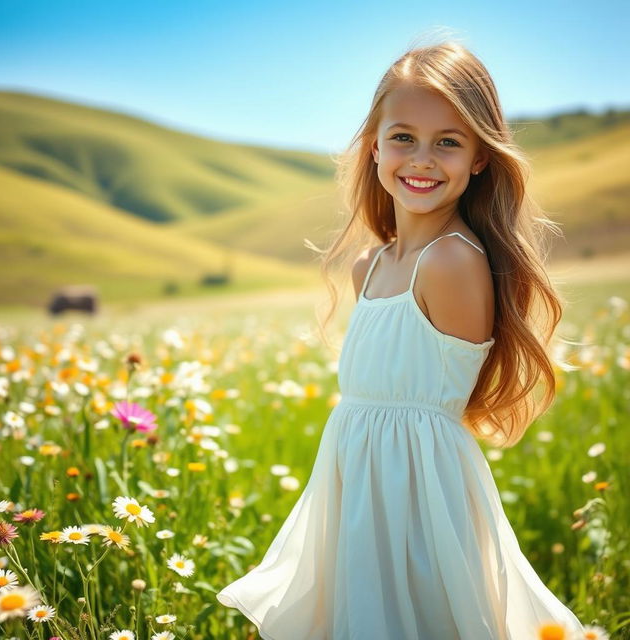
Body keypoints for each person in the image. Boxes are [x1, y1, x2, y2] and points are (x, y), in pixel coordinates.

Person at [216, 39, 587, 639]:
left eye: (448, 141)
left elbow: (435, 408)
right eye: (403, 137)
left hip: (417, 495)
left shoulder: (450, 263)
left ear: (480, 159)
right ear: (374, 146)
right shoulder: (372, 265)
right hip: (357, 484)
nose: (422, 159)